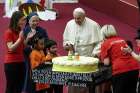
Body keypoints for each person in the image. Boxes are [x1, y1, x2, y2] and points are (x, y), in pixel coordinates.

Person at [63, 7, 103, 93]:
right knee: (74, 82)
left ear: (84, 16)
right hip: (73, 58)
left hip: (88, 57)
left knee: (87, 83)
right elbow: (66, 39)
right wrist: (67, 45)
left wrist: (94, 53)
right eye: (75, 18)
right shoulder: (70, 24)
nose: (76, 20)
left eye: (79, 18)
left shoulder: (93, 25)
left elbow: (100, 42)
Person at [100, 24, 139, 93]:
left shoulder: (105, 44)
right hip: (134, 68)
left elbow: (107, 62)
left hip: (120, 70)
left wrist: (101, 57)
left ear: (103, 33)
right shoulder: (122, 40)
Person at [22, 12, 49, 93]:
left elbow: (47, 42)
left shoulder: (42, 30)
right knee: (30, 72)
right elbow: (23, 45)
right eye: (33, 21)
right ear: (29, 21)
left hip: (40, 55)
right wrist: (28, 38)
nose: (35, 23)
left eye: (37, 21)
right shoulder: (25, 30)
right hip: (29, 55)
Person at [4, 11, 26, 93]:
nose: (24, 22)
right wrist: (20, 38)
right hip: (11, 63)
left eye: (24, 20)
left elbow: (23, 46)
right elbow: (11, 48)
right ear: (16, 20)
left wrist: (27, 39)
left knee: (19, 87)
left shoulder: (21, 31)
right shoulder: (8, 32)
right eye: (22, 20)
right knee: (11, 87)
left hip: (21, 62)